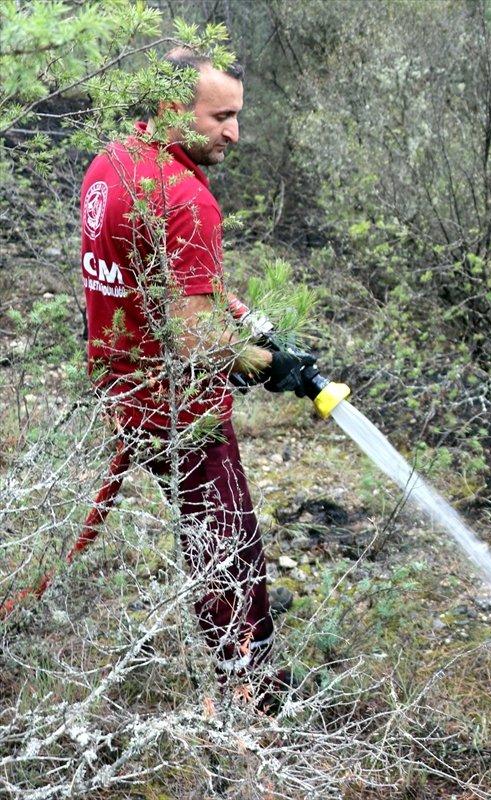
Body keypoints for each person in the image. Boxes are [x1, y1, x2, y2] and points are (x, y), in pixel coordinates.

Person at [80, 47, 310, 706]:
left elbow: (176, 282)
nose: (234, 133)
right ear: (171, 108)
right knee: (230, 551)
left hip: (124, 389)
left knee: (211, 539)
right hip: (180, 409)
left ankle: (242, 674)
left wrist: (252, 321)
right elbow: (194, 334)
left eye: (237, 116)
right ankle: (251, 699)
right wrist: (272, 366)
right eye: (222, 116)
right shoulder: (185, 197)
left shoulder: (114, 163)